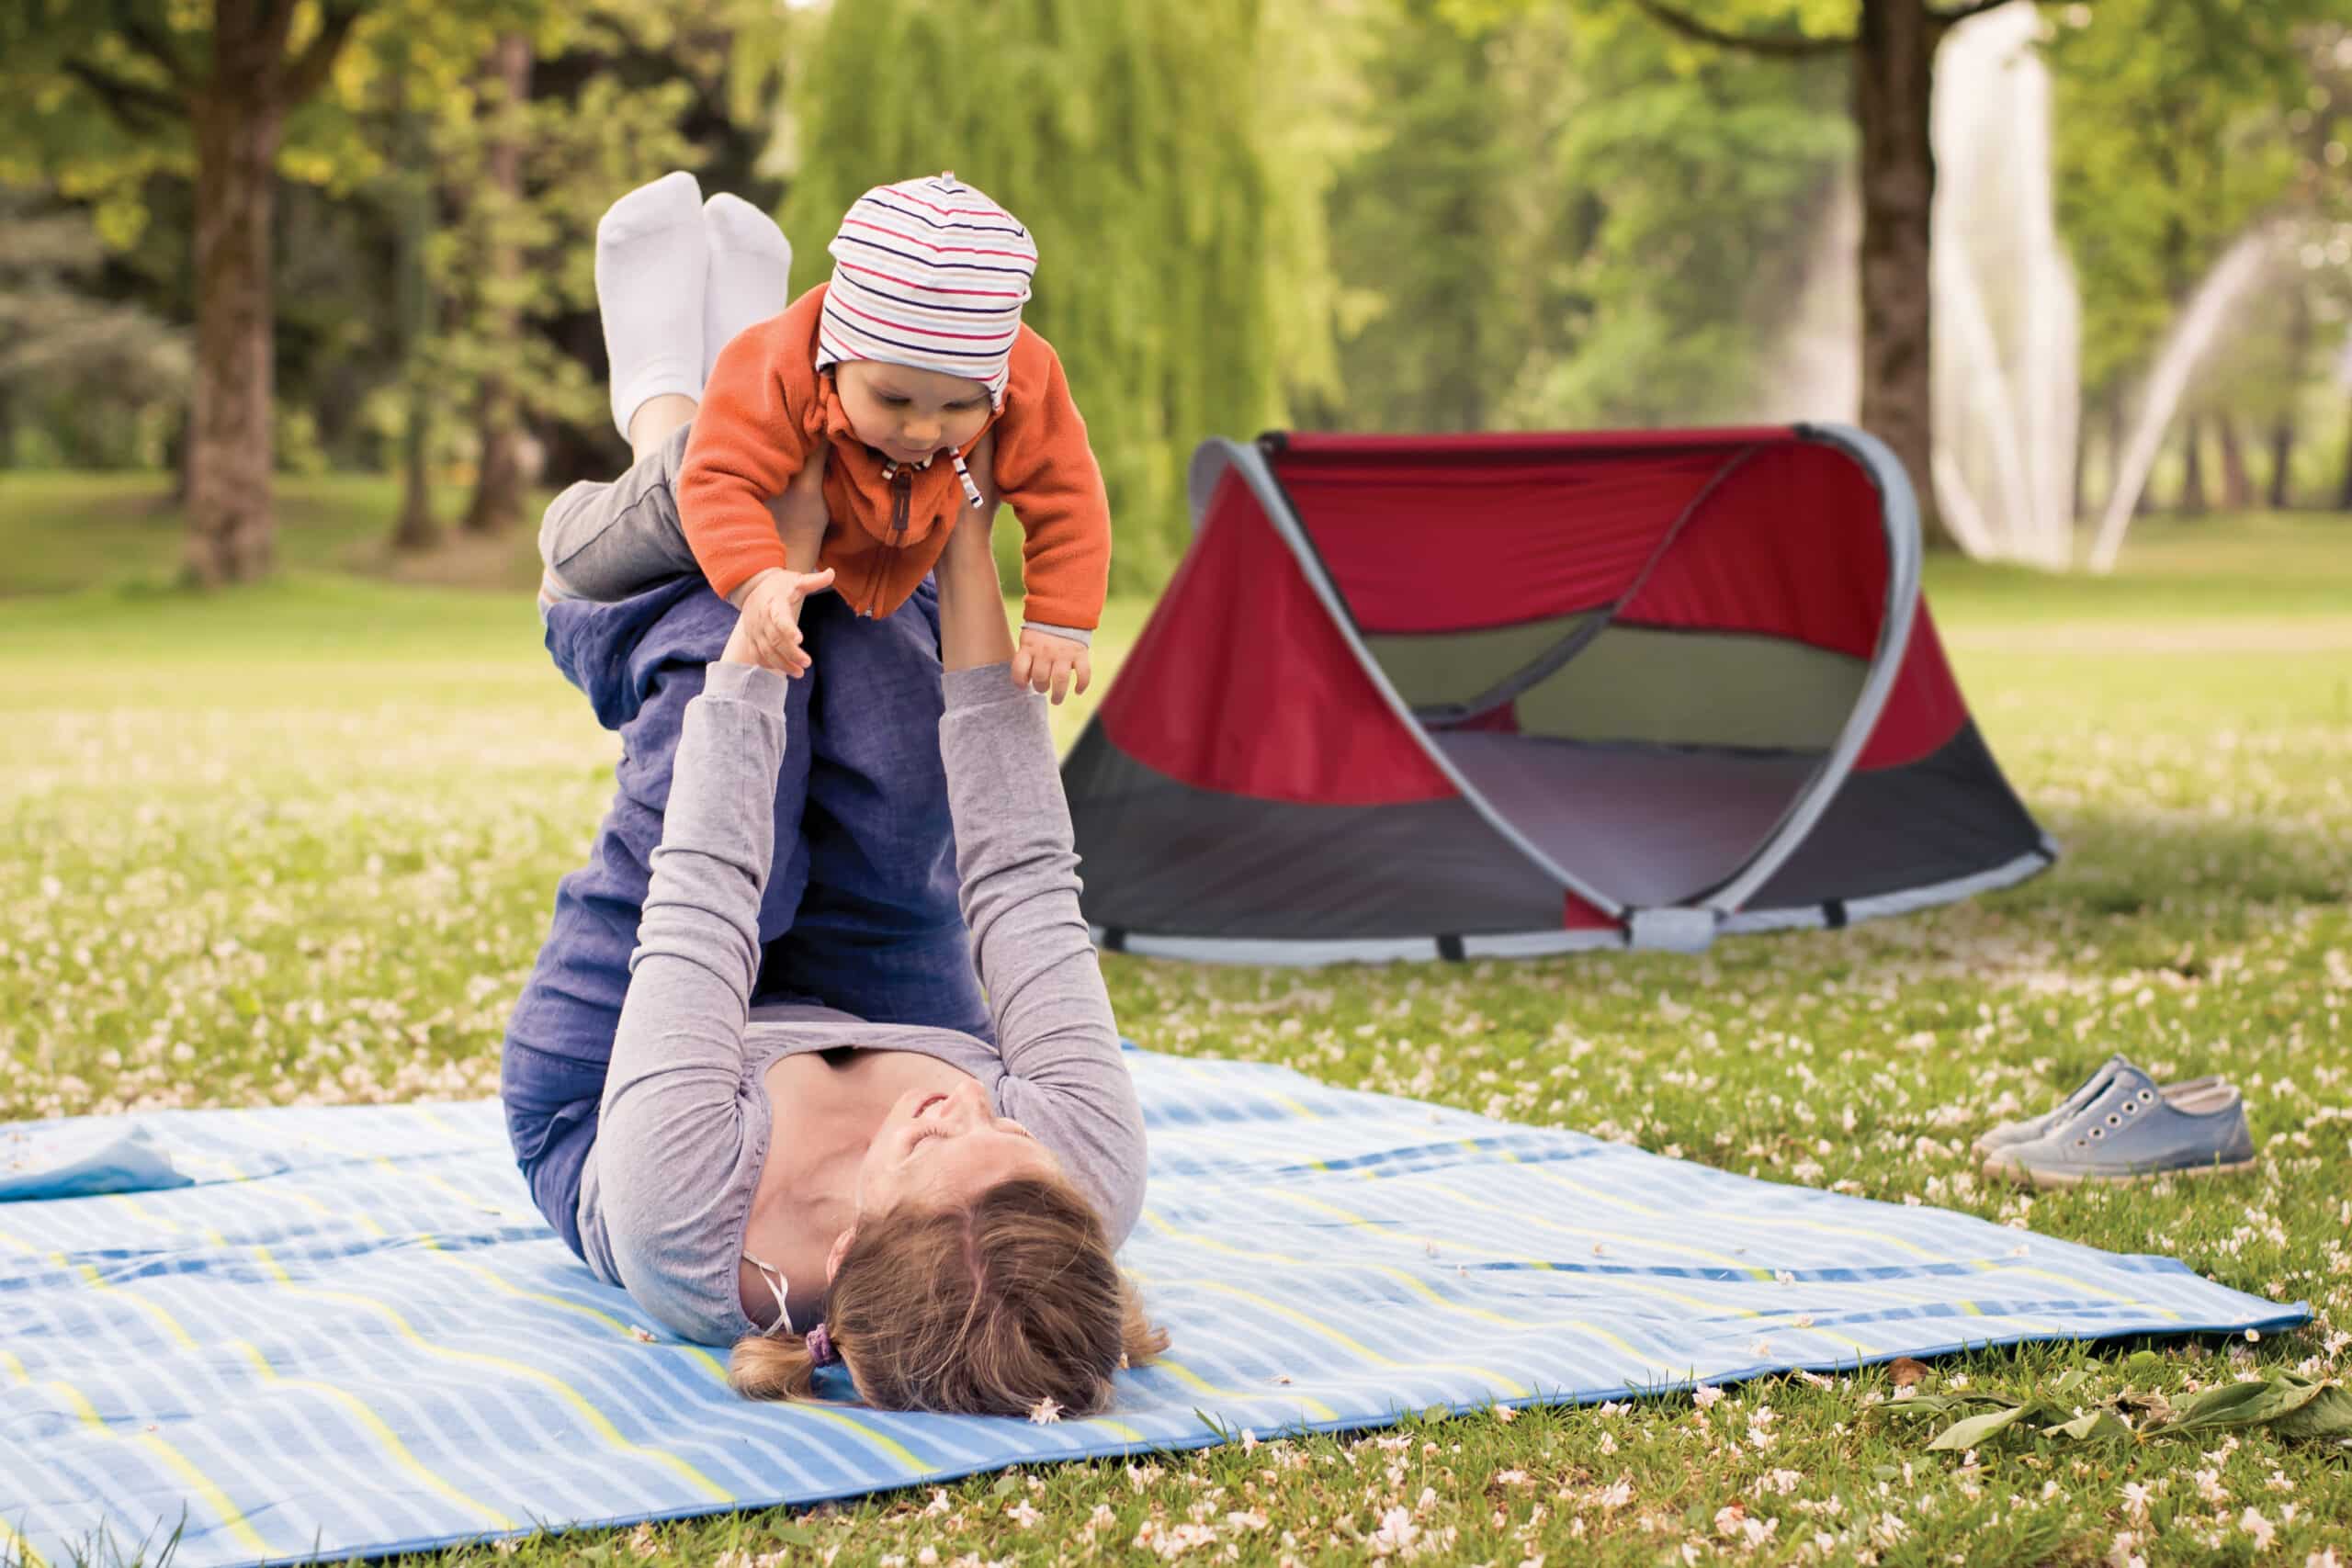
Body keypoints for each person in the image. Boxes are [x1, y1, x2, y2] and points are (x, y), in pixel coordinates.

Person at [498, 183, 1161, 1416]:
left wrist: (762, 603)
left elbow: (701, 889)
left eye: (928, 1138)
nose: (965, 1099)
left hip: (626, 1070)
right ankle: (778, 375)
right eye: (1003, 1131)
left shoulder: (682, 1210)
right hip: (882, 991)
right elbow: (1016, 873)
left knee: (721, 632)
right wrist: (964, 542)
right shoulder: (1088, 1175)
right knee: (882, 644)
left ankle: (661, 412)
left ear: (844, 1258)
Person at [663, 169, 1109, 704]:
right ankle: (659, 376)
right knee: (659, 464)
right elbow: (715, 477)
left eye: (959, 406)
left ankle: (735, 301)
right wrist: (758, 579)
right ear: (836, 355)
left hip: (854, 543)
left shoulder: (1025, 375)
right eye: (892, 399)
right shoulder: (782, 361)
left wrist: (1060, 620)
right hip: (707, 502)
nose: (922, 430)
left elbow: (1067, 493)